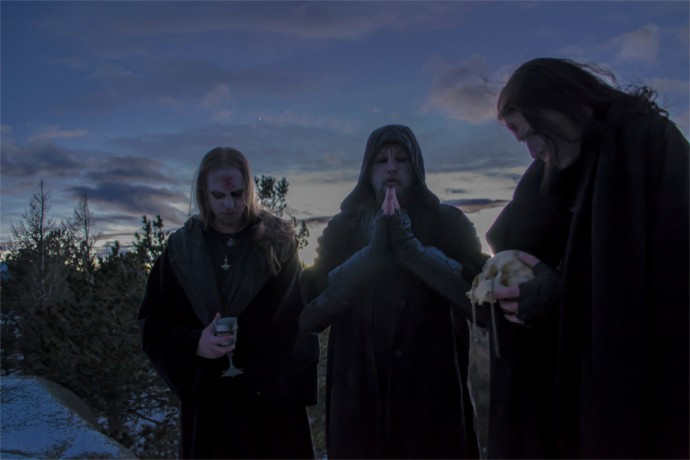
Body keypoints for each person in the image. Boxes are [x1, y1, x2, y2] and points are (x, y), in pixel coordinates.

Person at [487, 57, 689, 459]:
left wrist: (561, 292)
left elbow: (672, 276)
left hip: (640, 390)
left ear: (560, 105)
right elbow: (510, 244)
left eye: (531, 133)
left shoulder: (649, 145)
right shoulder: (550, 174)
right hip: (567, 395)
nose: (533, 151)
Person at [299, 124, 488, 459]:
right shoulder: (343, 228)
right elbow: (312, 311)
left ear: (416, 167)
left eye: (401, 159)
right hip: (359, 406)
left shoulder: (448, 222)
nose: (391, 168)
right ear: (367, 169)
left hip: (433, 405)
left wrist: (414, 252)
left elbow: (480, 301)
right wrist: (370, 255)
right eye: (381, 160)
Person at [138, 147, 319, 459]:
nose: (229, 204)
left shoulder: (278, 242)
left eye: (237, 194)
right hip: (210, 411)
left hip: (271, 411)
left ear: (249, 189)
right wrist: (196, 343)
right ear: (203, 194)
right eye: (218, 195)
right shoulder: (182, 249)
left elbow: (299, 323)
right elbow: (153, 324)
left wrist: (261, 373)